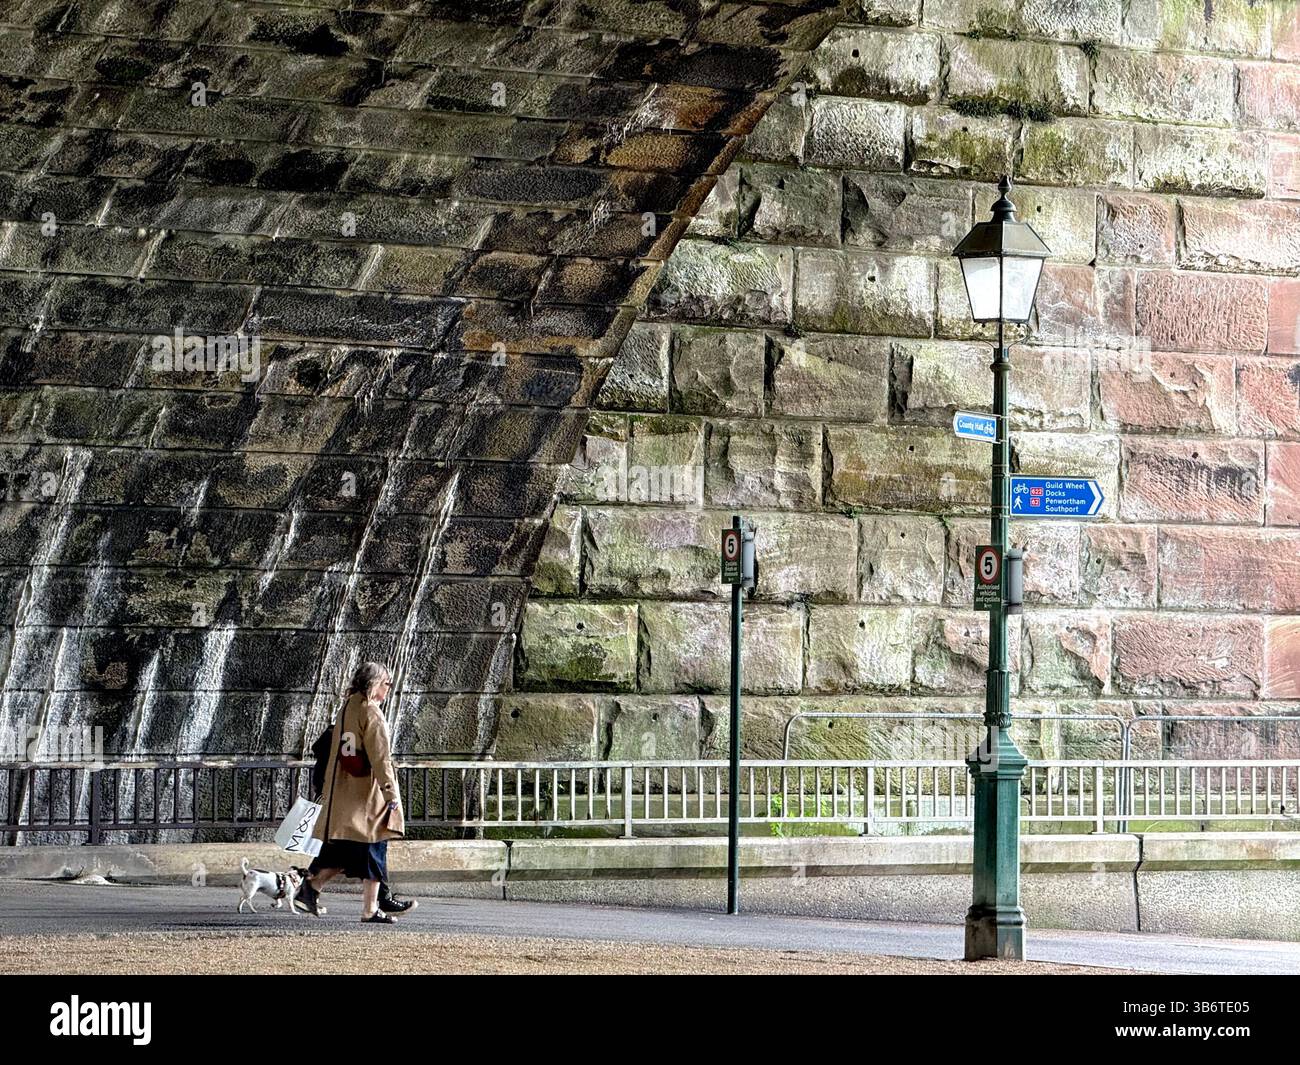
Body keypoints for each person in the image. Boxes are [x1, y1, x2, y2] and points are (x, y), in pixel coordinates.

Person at [295, 662, 407, 924]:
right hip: (366, 795)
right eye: (386, 683)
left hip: (342, 790)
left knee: (345, 848)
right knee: (375, 846)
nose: (388, 688)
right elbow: (382, 760)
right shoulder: (372, 714)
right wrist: (391, 795)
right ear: (373, 685)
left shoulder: (349, 706)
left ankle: (311, 888)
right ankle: (369, 909)